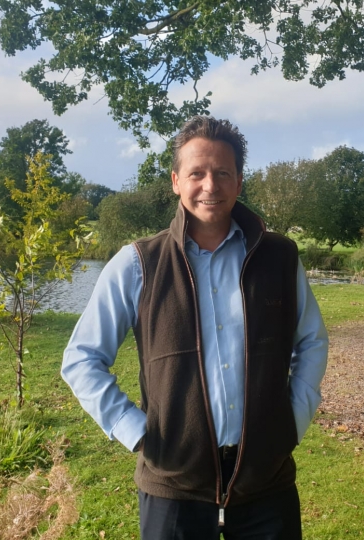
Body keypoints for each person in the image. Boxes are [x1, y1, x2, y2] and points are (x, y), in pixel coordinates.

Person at [61, 116, 329, 539]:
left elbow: (311, 340)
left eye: (223, 172)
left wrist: (294, 420)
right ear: (175, 181)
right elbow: (82, 359)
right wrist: (137, 433)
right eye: (197, 173)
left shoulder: (280, 257)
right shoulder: (137, 264)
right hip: (173, 485)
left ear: (239, 181)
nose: (210, 185)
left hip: (266, 481)